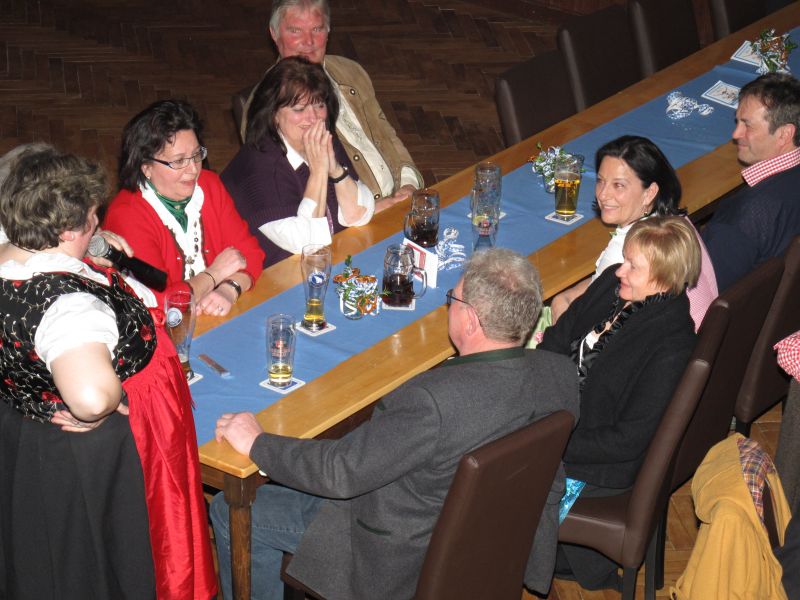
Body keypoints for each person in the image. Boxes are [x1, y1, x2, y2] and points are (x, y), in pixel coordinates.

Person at [210, 248, 580, 600]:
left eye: (452, 298)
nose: (448, 306)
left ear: (470, 320)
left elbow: (341, 471)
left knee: (230, 509)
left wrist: (258, 443)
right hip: (490, 538)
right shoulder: (560, 375)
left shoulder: (432, 403)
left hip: (398, 554)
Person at [0, 147, 216, 599]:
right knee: (107, 565)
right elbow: (91, 396)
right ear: (66, 229)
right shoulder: (70, 304)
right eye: (91, 217)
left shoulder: (12, 256)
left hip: (31, 437)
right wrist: (115, 398)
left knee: (52, 561)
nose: (98, 224)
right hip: (96, 455)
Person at [539, 216, 700, 591]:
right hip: (556, 417)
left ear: (664, 279)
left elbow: (627, 440)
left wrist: (552, 441)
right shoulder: (611, 288)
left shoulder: (672, 343)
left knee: (493, 473)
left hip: (596, 461)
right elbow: (557, 338)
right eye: (624, 259)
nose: (620, 271)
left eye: (633, 266)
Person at [240, 0, 423, 208]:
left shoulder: (351, 71)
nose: (308, 41)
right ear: (274, 34)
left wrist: (409, 184)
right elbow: (289, 193)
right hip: (352, 217)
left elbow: (387, 135)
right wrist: (369, 210)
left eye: (317, 29)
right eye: (295, 30)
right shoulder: (266, 105)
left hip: (401, 200)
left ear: (328, 31)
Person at [103, 98, 265, 313]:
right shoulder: (127, 215)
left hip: (217, 315)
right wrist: (214, 274)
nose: (193, 170)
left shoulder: (209, 185)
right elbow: (158, 301)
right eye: (179, 161)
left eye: (196, 155)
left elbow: (251, 254)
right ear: (146, 167)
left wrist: (230, 288)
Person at [548, 136, 717, 330]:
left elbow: (585, 325)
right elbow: (602, 282)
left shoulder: (627, 250)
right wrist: (569, 294)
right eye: (601, 181)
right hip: (702, 334)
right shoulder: (676, 224)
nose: (602, 194)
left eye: (618, 185)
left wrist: (560, 304)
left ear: (650, 192)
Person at [223, 56, 374, 268]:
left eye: (319, 105)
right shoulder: (259, 167)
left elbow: (360, 213)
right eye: (299, 109)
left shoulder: (321, 138)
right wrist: (319, 172)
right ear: (274, 114)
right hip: (273, 276)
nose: (313, 118)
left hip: (328, 260)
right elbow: (308, 243)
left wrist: (335, 170)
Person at [702, 72, 800, 291]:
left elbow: (707, 290)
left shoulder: (740, 221)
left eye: (748, 125)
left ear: (784, 134)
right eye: (737, 121)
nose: (736, 134)